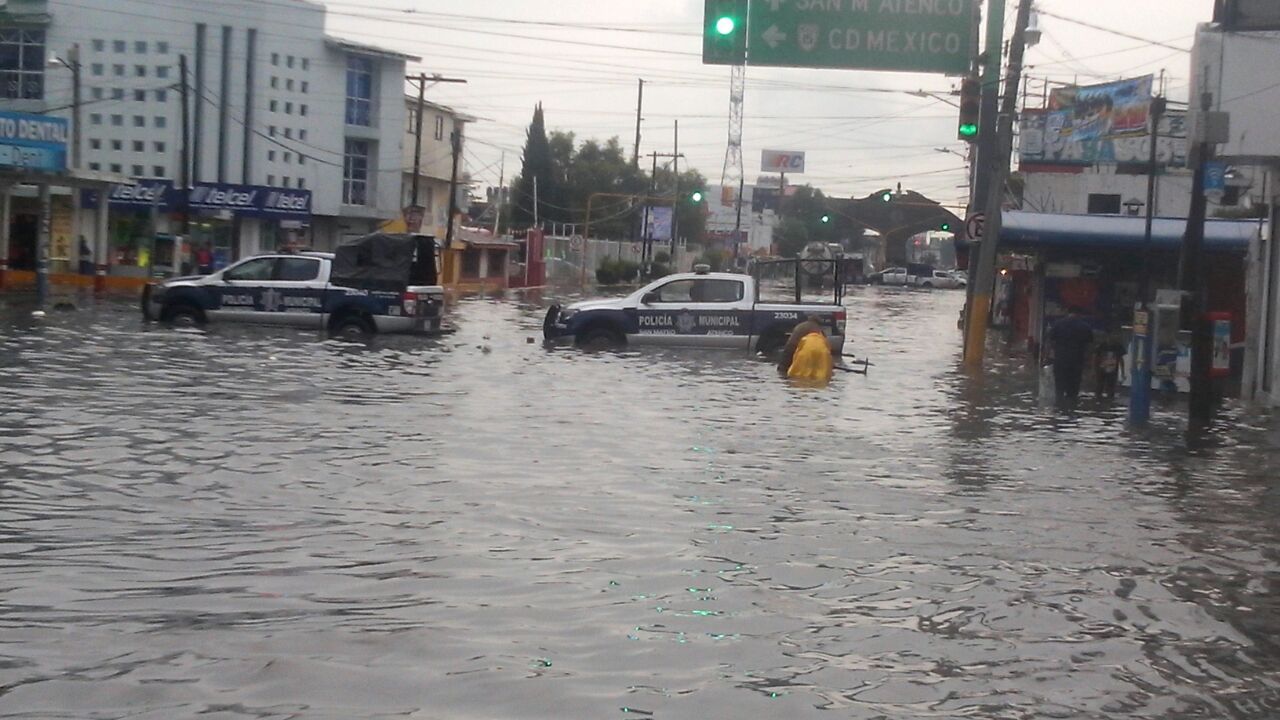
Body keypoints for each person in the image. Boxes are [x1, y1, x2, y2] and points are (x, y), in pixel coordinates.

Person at [1048, 308, 1095, 403]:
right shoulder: (1085, 327)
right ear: (1079, 314)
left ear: (1067, 313)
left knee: (1059, 387)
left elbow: (1050, 341)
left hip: (1060, 360)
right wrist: (1089, 361)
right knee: (1073, 389)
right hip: (1077, 361)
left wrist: (1048, 356)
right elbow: (1090, 346)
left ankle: (1059, 406)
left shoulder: (1057, 324)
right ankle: (1071, 407)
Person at [777, 315, 833, 383]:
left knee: (796, 373)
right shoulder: (820, 330)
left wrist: (783, 366)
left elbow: (791, 345)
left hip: (801, 351)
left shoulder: (800, 326)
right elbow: (826, 347)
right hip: (820, 353)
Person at [1094, 334, 1127, 400]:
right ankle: (1098, 399)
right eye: (1109, 337)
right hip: (1102, 369)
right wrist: (1094, 370)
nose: (1111, 338)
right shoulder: (1101, 346)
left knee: (1111, 387)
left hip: (1113, 370)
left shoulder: (1118, 346)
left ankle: (1109, 400)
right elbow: (1095, 358)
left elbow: (1121, 359)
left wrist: (1122, 372)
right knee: (1099, 386)